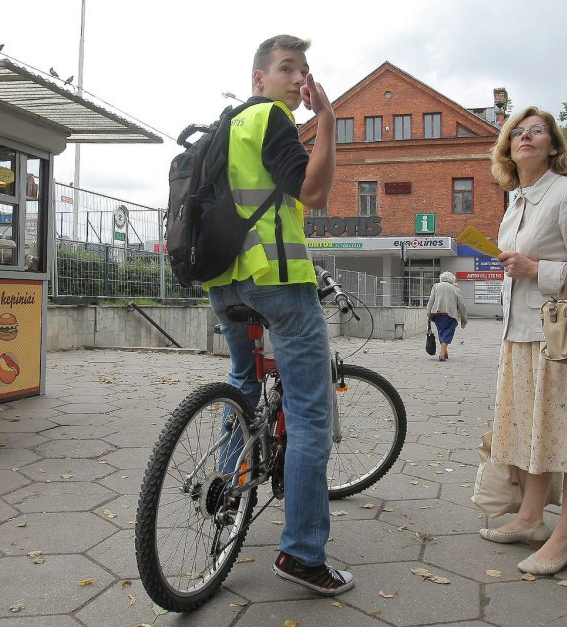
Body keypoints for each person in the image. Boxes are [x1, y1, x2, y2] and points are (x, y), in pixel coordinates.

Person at [202, 35, 353, 596]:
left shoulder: (227, 125)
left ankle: (228, 493)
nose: (298, 79)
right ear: (258, 78)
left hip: (225, 283)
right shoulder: (272, 119)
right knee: (311, 416)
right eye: (287, 68)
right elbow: (313, 192)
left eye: (305, 70)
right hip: (280, 285)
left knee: (241, 382)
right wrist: (329, 122)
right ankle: (303, 554)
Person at [478, 106, 567, 576]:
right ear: (508, 148)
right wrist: (513, 268)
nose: (525, 137)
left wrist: (536, 270)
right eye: (517, 131)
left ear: (553, 146)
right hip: (519, 334)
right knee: (532, 431)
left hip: (561, 337)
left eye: (537, 131)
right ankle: (532, 518)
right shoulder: (516, 200)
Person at [425, 271, 467, 360]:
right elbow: (462, 306)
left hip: (437, 314)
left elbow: (431, 301)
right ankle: (441, 354)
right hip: (450, 315)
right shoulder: (456, 289)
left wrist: (428, 313)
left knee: (442, 332)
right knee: (448, 333)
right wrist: (464, 320)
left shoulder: (436, 286)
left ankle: (445, 352)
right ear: (452, 279)